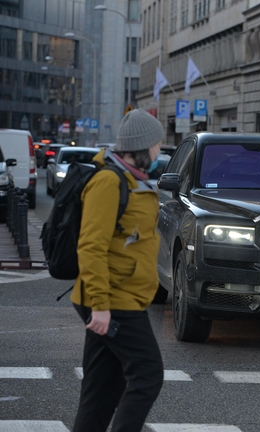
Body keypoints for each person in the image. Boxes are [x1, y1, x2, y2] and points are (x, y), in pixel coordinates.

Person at [70, 109, 165, 432]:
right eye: (157, 145)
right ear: (143, 147)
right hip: (113, 300)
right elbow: (90, 246)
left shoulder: (132, 181)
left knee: (100, 394)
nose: (159, 152)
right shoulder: (109, 182)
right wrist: (99, 305)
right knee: (148, 374)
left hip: (120, 298)